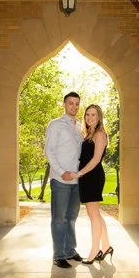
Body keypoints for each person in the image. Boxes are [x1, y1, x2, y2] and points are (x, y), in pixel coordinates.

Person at [63, 104, 114, 265]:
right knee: (96, 214)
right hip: (87, 176)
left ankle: (94, 251)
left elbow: (96, 160)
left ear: (99, 117)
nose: (89, 118)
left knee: (93, 216)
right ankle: (106, 246)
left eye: (93, 115)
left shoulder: (99, 134)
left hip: (93, 177)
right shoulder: (89, 134)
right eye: (87, 115)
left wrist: (78, 173)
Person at [44, 91, 84, 268]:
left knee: (71, 217)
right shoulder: (55, 125)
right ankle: (59, 254)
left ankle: (70, 250)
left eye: (76, 104)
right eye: (70, 103)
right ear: (64, 105)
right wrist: (61, 172)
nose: (74, 107)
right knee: (59, 218)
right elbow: (49, 151)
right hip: (61, 180)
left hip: (77, 180)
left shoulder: (80, 127)